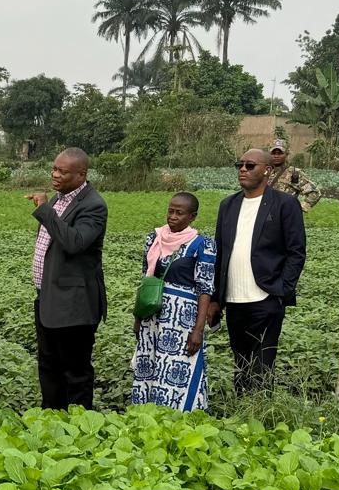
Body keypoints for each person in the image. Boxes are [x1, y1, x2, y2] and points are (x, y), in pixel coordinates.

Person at [212, 150, 308, 393]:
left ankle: (261, 410)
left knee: (262, 366)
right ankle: (241, 409)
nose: (243, 169)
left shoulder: (285, 204)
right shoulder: (228, 205)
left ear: (267, 170)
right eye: (240, 165)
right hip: (234, 300)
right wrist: (216, 298)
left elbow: (296, 252)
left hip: (266, 297)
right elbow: (220, 252)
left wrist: (282, 290)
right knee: (241, 363)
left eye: (250, 165)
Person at [28, 147, 108, 410]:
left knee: (75, 372)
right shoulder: (59, 199)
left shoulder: (93, 205)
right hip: (48, 298)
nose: (55, 175)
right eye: (54, 169)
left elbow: (74, 242)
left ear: (81, 174)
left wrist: (44, 210)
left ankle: (79, 424)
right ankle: (51, 418)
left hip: (75, 304)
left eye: (63, 172)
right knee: (49, 367)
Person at [130, 192, 216, 410]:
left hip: (182, 321)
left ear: (192, 216)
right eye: (170, 211)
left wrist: (199, 330)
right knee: (150, 364)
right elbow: (146, 279)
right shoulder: (155, 238)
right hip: (152, 315)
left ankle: (181, 415)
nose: (173, 216)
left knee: (179, 366)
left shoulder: (202, 244)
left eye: (180, 213)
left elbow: (205, 289)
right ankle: (147, 414)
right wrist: (138, 318)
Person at [267, 138, 322, 212]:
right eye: (273, 153)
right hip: (267, 214)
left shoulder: (294, 173)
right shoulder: (265, 172)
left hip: (285, 215)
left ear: (287, 154)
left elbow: (315, 193)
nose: (276, 156)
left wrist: (299, 209)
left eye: (280, 153)